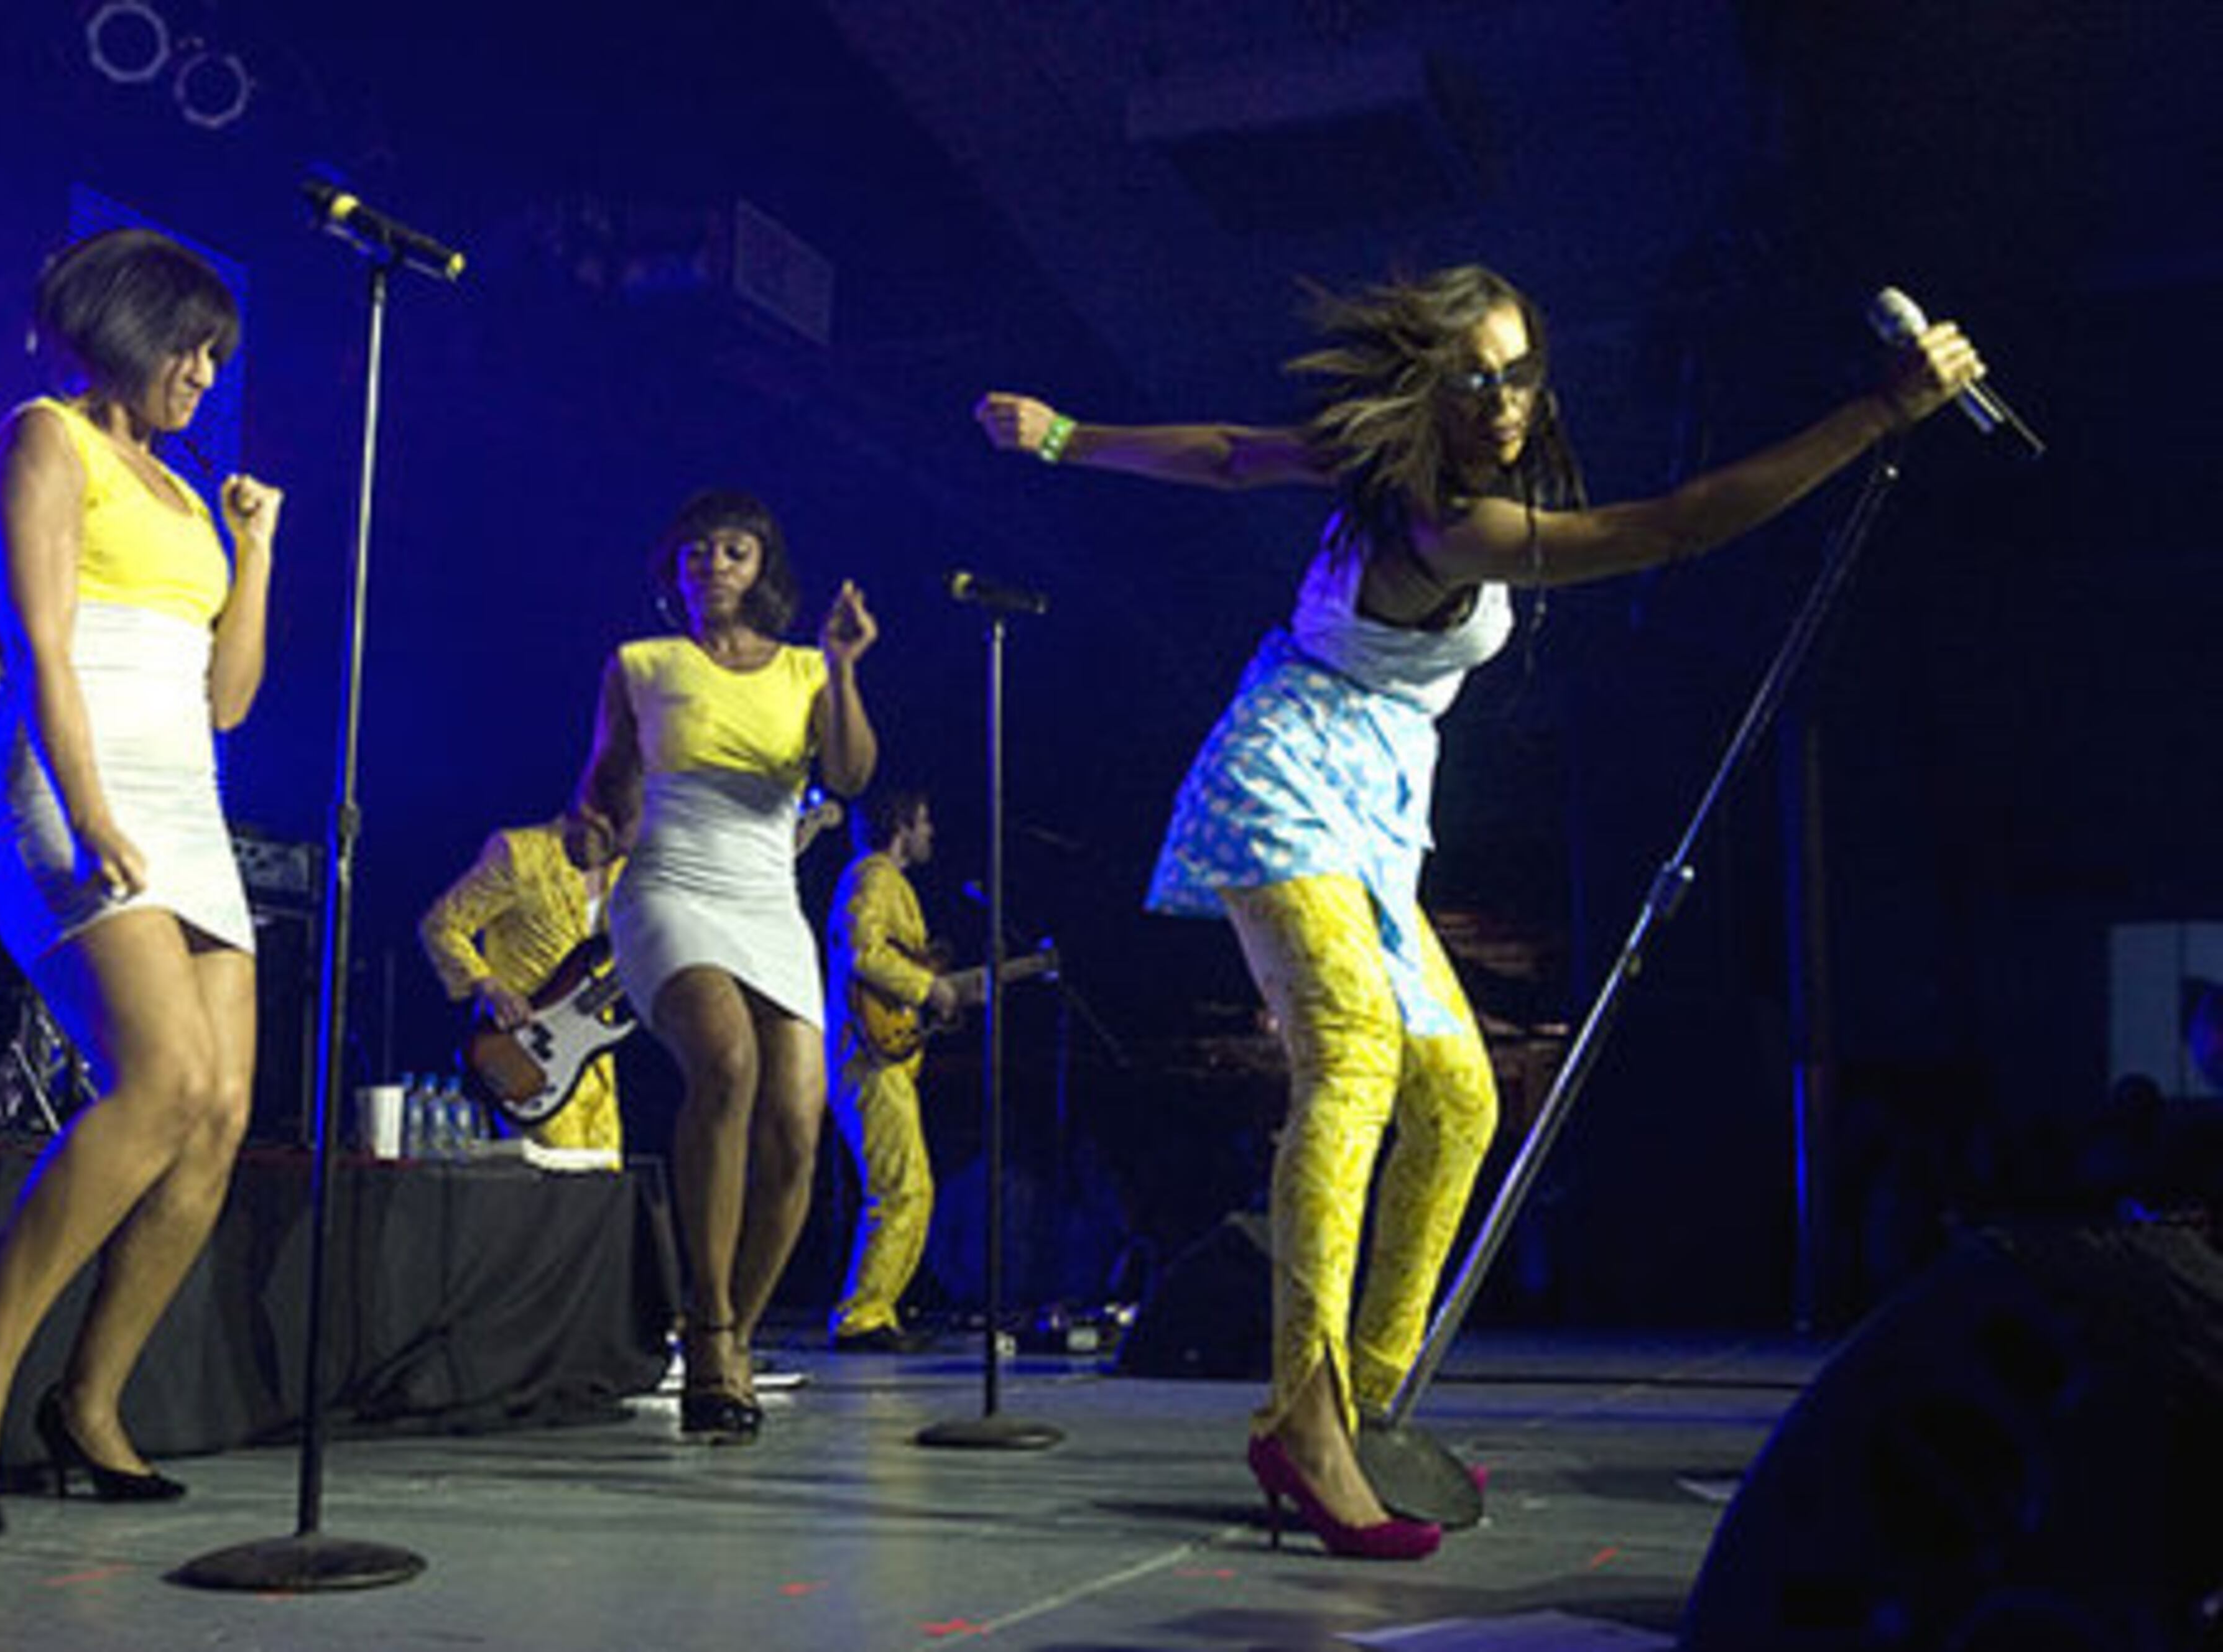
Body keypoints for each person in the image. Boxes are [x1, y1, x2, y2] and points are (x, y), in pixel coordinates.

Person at [976, 264, 1982, 1559]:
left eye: (1519, 372)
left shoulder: (1384, 462)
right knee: (1354, 1060)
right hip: (1284, 778)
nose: (1504, 400)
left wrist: (1068, 433)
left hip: (1376, 807)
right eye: (1472, 378)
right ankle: (1304, 1421)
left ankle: (1370, 1401)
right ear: (1429, 389)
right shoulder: (1450, 521)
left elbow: (1229, 452)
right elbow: (1673, 525)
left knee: (1458, 1097)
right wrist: (1878, 414)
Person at [0, 227, 282, 1533]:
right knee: (162, 1080)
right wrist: (90, 809)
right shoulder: (44, 437)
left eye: (217, 356)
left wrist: (256, 550)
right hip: (72, 784)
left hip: (189, 801)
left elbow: (230, 701)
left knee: (219, 1112)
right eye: (191, 348)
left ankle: (91, 1401)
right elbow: (42, 649)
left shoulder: (189, 487)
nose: (205, 374)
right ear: (129, 329)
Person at [573, 488, 877, 1440]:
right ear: (676, 569)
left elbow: (852, 776)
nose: (713, 566)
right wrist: (591, 828)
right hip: (669, 883)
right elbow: (605, 788)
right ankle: (706, 1325)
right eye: (697, 552)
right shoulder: (640, 663)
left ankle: (734, 1339)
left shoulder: (807, 667)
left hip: (766, 898)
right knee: (727, 1060)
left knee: (796, 1125)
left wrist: (843, 666)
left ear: (762, 567)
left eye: (734, 551)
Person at [823, 787, 975, 1353]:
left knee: (910, 1187)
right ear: (901, 825)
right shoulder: (875, 877)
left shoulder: (884, 882)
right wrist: (928, 987)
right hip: (867, 1058)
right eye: (924, 821)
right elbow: (861, 952)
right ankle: (862, 1317)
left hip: (882, 1057)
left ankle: (876, 1311)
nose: (931, 832)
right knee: (901, 1188)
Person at [419, 805, 628, 1168]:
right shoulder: (520, 854)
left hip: (594, 1066)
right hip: (525, 1055)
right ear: (593, 812)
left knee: (604, 1194)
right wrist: (489, 987)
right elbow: (442, 926)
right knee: (551, 1191)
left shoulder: (628, 873)